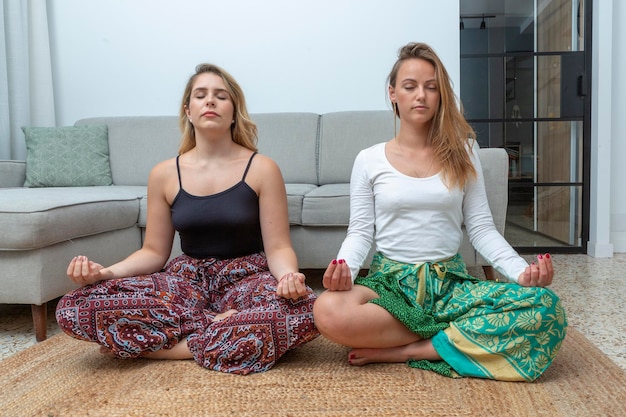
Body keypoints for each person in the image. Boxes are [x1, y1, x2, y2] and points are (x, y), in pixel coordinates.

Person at [312, 42, 567, 382]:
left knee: (546, 306)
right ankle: (459, 335)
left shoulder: (463, 152)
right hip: (391, 285)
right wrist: (343, 269)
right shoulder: (369, 159)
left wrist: (521, 273)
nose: (421, 95)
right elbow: (361, 231)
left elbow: (481, 229)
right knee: (327, 310)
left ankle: (411, 349)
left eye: (431, 87)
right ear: (393, 93)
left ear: (440, 94)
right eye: (410, 86)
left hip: (450, 287)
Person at [56, 63, 319, 375]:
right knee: (74, 306)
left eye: (221, 96)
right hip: (187, 280)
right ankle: (217, 327)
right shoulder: (164, 173)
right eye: (201, 95)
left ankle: (161, 348)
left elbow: (277, 248)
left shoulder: (262, 168)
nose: (210, 101)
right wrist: (106, 273)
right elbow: (153, 251)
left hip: (247, 278)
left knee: (306, 310)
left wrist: (289, 277)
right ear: (188, 111)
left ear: (234, 112)